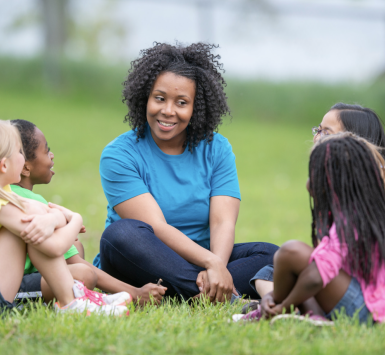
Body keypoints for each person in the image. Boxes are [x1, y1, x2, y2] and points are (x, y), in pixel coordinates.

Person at [93, 42, 278, 302]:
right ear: (145, 97)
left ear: (196, 107)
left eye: (181, 102)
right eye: (159, 98)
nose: (168, 111)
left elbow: (222, 221)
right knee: (120, 235)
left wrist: (217, 266)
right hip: (137, 263)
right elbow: (155, 226)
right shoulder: (119, 154)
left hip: (201, 259)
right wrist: (211, 264)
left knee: (273, 255)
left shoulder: (217, 148)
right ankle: (223, 294)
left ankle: (198, 292)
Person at [245, 103, 385, 311]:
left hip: (384, 283)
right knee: (270, 272)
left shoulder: (375, 179)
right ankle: (277, 304)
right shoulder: (347, 183)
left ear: (353, 142)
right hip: (364, 276)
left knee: (290, 264)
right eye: (318, 129)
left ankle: (278, 306)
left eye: (327, 132)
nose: (317, 137)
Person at [0, 119, 128, 315]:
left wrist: (52, 219)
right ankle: (70, 303)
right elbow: (54, 246)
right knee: (33, 228)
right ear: (4, 166)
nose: (23, 158)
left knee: (35, 222)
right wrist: (75, 220)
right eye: (20, 152)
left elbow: (38, 210)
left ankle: (76, 298)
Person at [11, 119, 165, 304]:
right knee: (84, 274)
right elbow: (77, 264)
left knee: (76, 245)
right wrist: (134, 292)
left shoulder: (9, 194)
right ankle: (86, 300)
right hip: (12, 286)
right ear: (26, 167)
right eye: (46, 150)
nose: (51, 155)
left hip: (21, 275)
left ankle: (74, 297)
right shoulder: (32, 203)